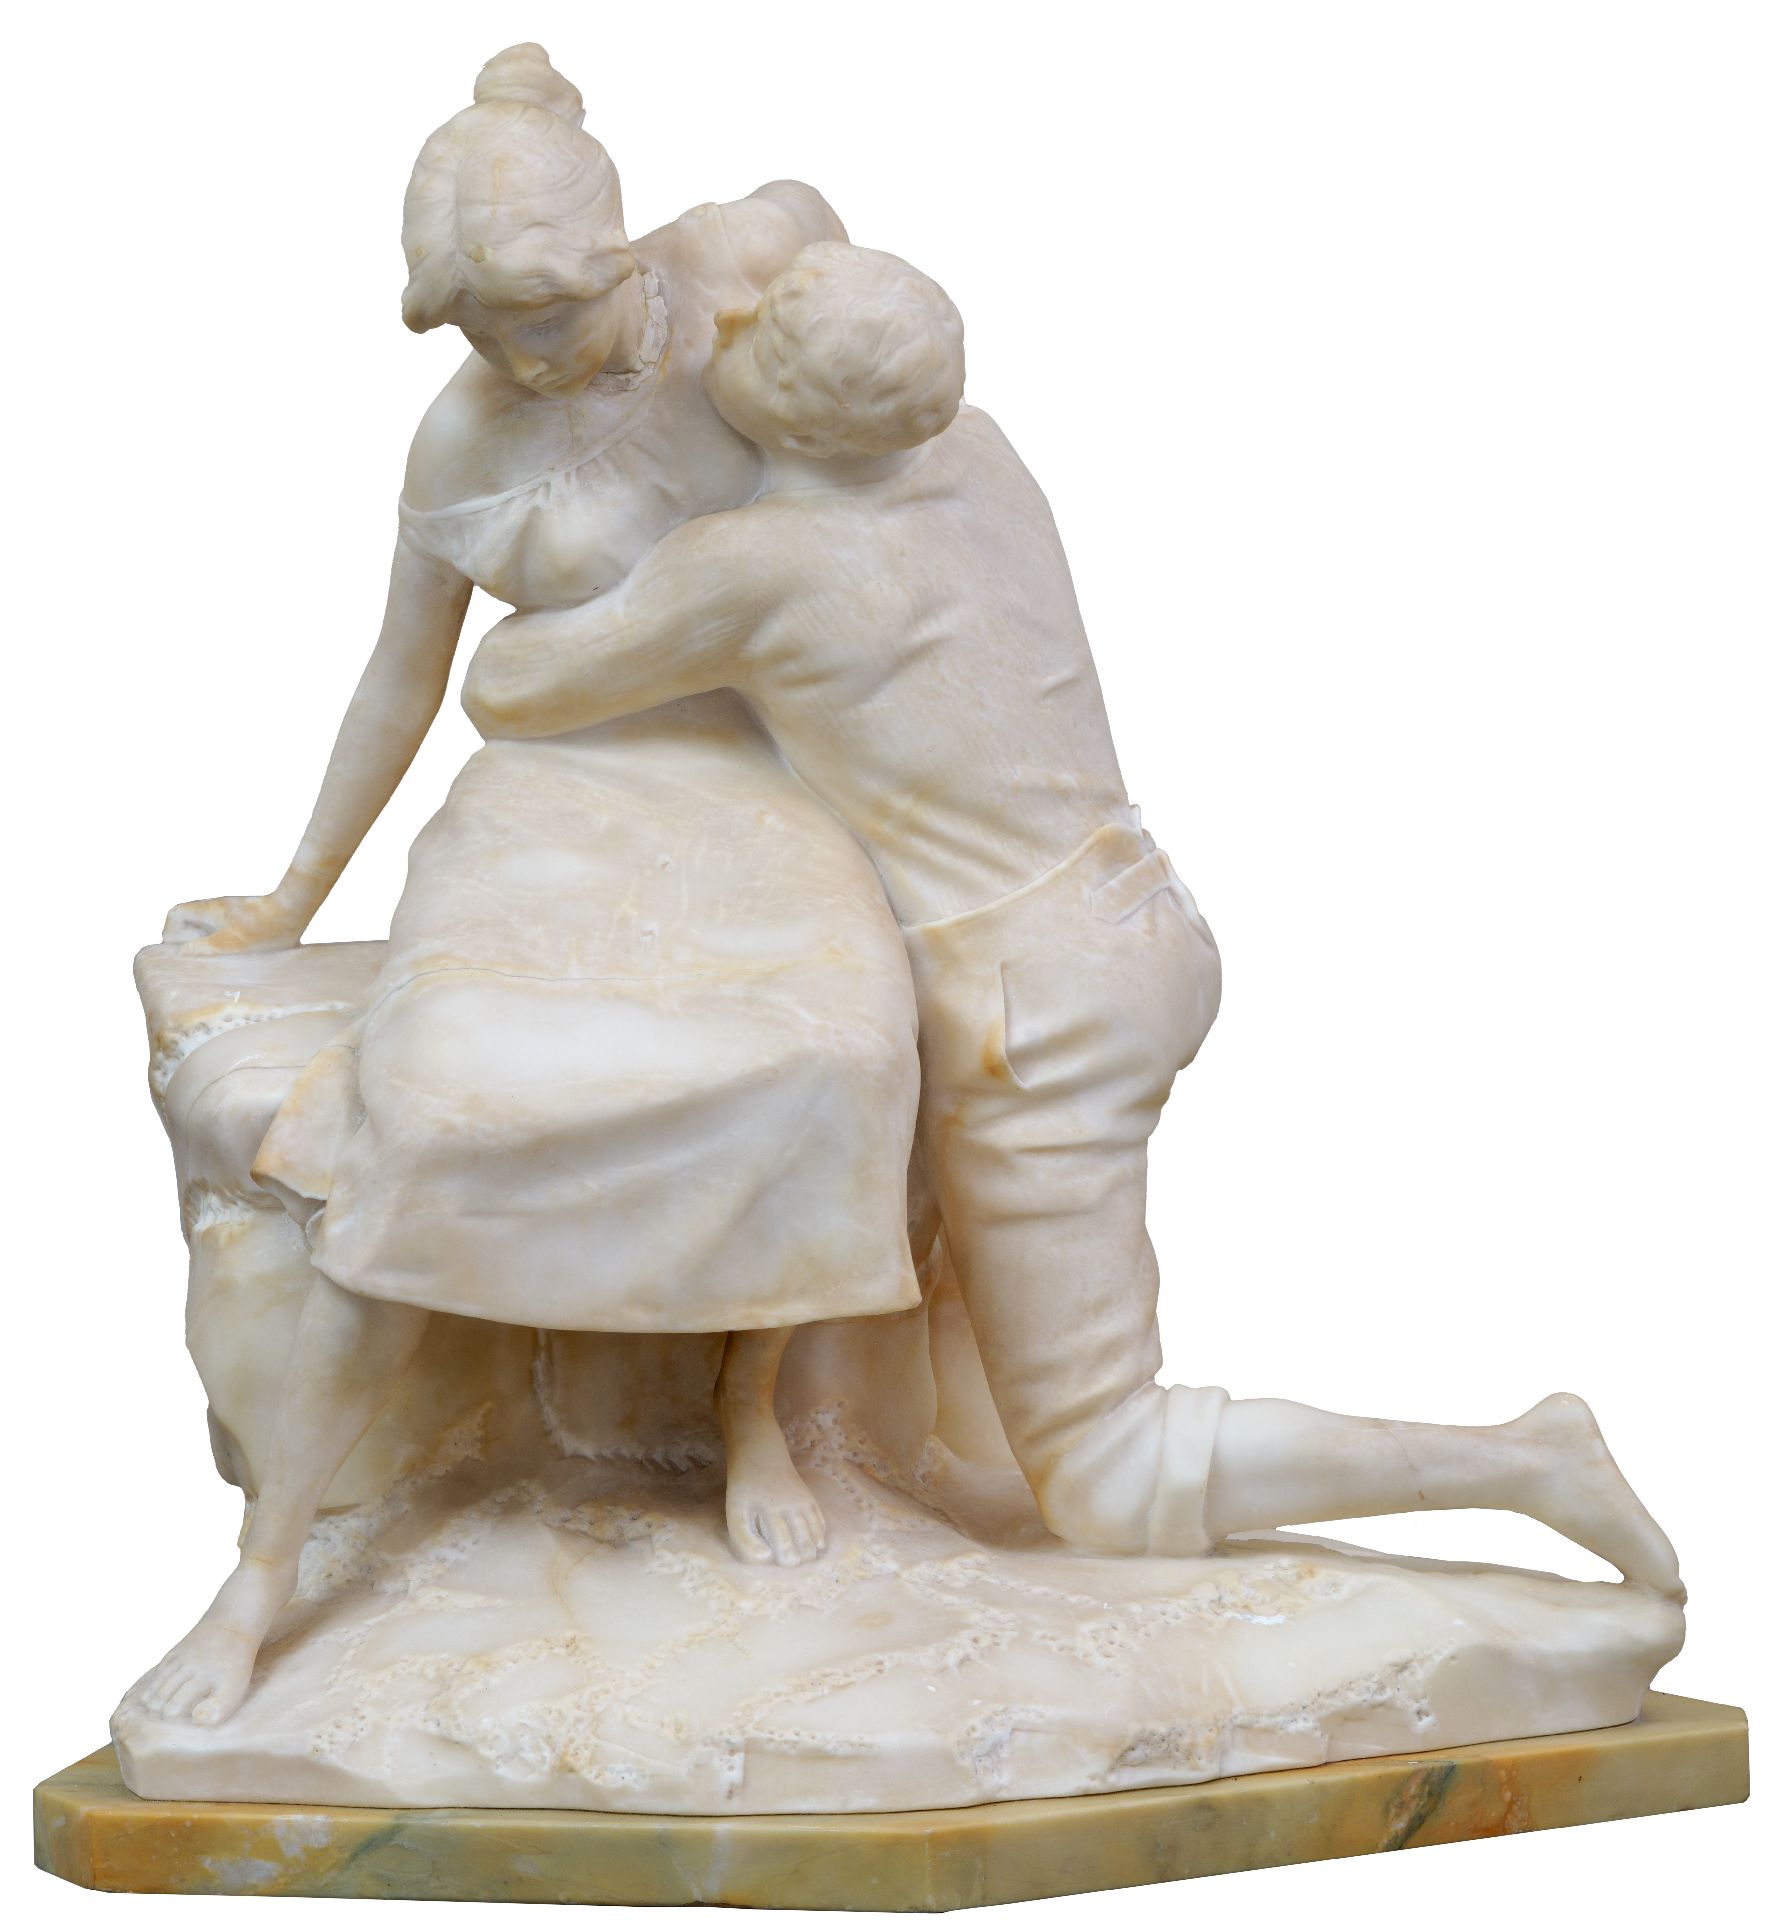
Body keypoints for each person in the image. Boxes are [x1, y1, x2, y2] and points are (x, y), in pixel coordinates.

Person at [465, 242, 1684, 1595]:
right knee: (911, 1214)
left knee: (1105, 1471)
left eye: (765, 331)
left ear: (798, 417)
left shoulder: (761, 566)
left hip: (1038, 1008)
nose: (734, 316)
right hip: (1139, 921)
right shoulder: (975, 452)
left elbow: (510, 686)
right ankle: (874, 1447)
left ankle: (1522, 1461)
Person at [138, 47, 921, 1732]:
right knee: (422, 1104)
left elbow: (884, 342)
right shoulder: (463, 436)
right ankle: (268, 1567)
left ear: (617, 253)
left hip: (757, 786)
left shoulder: (737, 268)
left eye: (545, 321)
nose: (522, 360)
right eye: (486, 333)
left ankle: (751, 1404)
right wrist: (292, 894)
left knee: (840, 1054)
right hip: (554, 795)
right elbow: (401, 678)